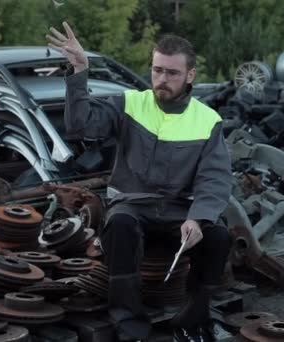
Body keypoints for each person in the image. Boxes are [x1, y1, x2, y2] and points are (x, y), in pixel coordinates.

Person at [47, 22, 233, 342]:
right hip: (134, 207)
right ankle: (130, 326)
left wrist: (199, 219)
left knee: (219, 237)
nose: (162, 79)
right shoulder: (130, 104)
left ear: (190, 75)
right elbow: (79, 126)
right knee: (119, 223)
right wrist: (79, 72)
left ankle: (192, 317)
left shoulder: (207, 120)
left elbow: (214, 178)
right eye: (157, 70)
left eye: (172, 73)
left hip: (180, 213)